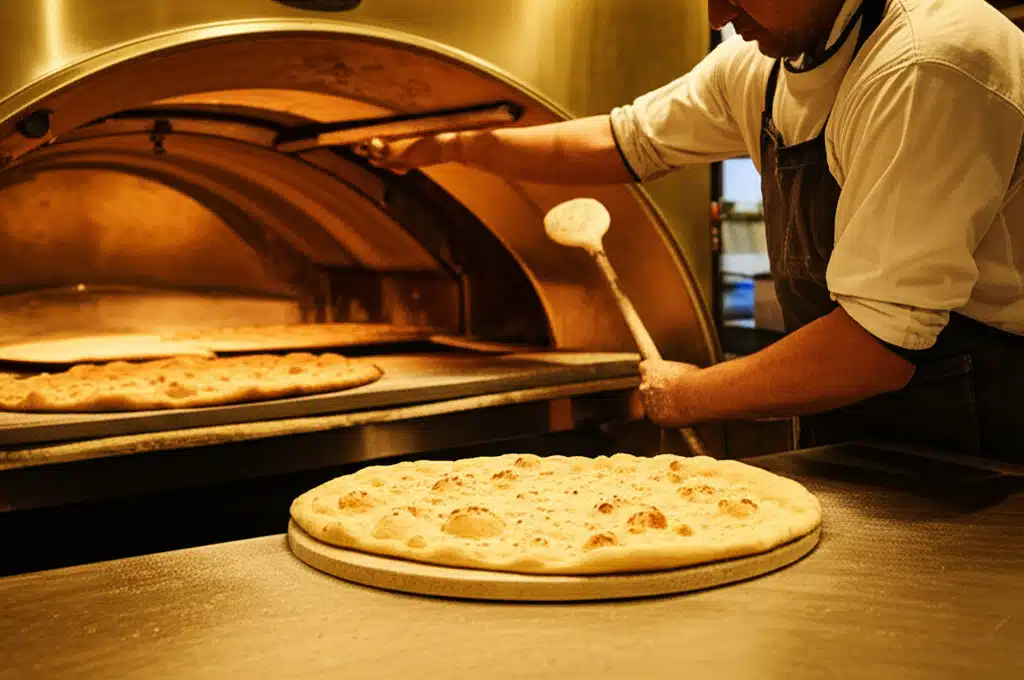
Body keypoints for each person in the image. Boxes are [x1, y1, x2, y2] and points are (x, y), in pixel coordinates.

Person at [355, 0, 1024, 459]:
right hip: (858, 403)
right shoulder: (765, 61)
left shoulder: (925, 64)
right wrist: (459, 148)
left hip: (985, 421)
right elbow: (626, 140)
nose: (717, 15)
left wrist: (690, 394)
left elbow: (875, 347)